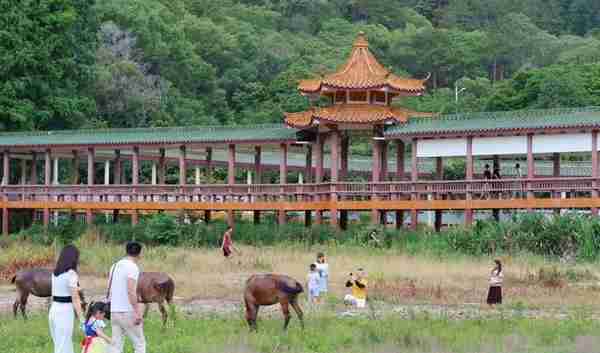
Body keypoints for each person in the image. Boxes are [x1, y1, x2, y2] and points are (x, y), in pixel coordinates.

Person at [108, 242, 145, 353]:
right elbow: (131, 291)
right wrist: (137, 312)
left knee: (116, 345)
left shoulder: (114, 266)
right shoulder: (133, 267)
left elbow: (110, 290)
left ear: (126, 251)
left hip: (114, 311)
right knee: (139, 344)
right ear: (139, 254)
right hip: (127, 311)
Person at [49, 245, 85, 353]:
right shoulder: (71, 274)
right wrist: (82, 319)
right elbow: (75, 299)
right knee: (65, 345)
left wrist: (77, 288)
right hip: (65, 311)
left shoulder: (55, 273)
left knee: (58, 345)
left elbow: (61, 290)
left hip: (54, 310)